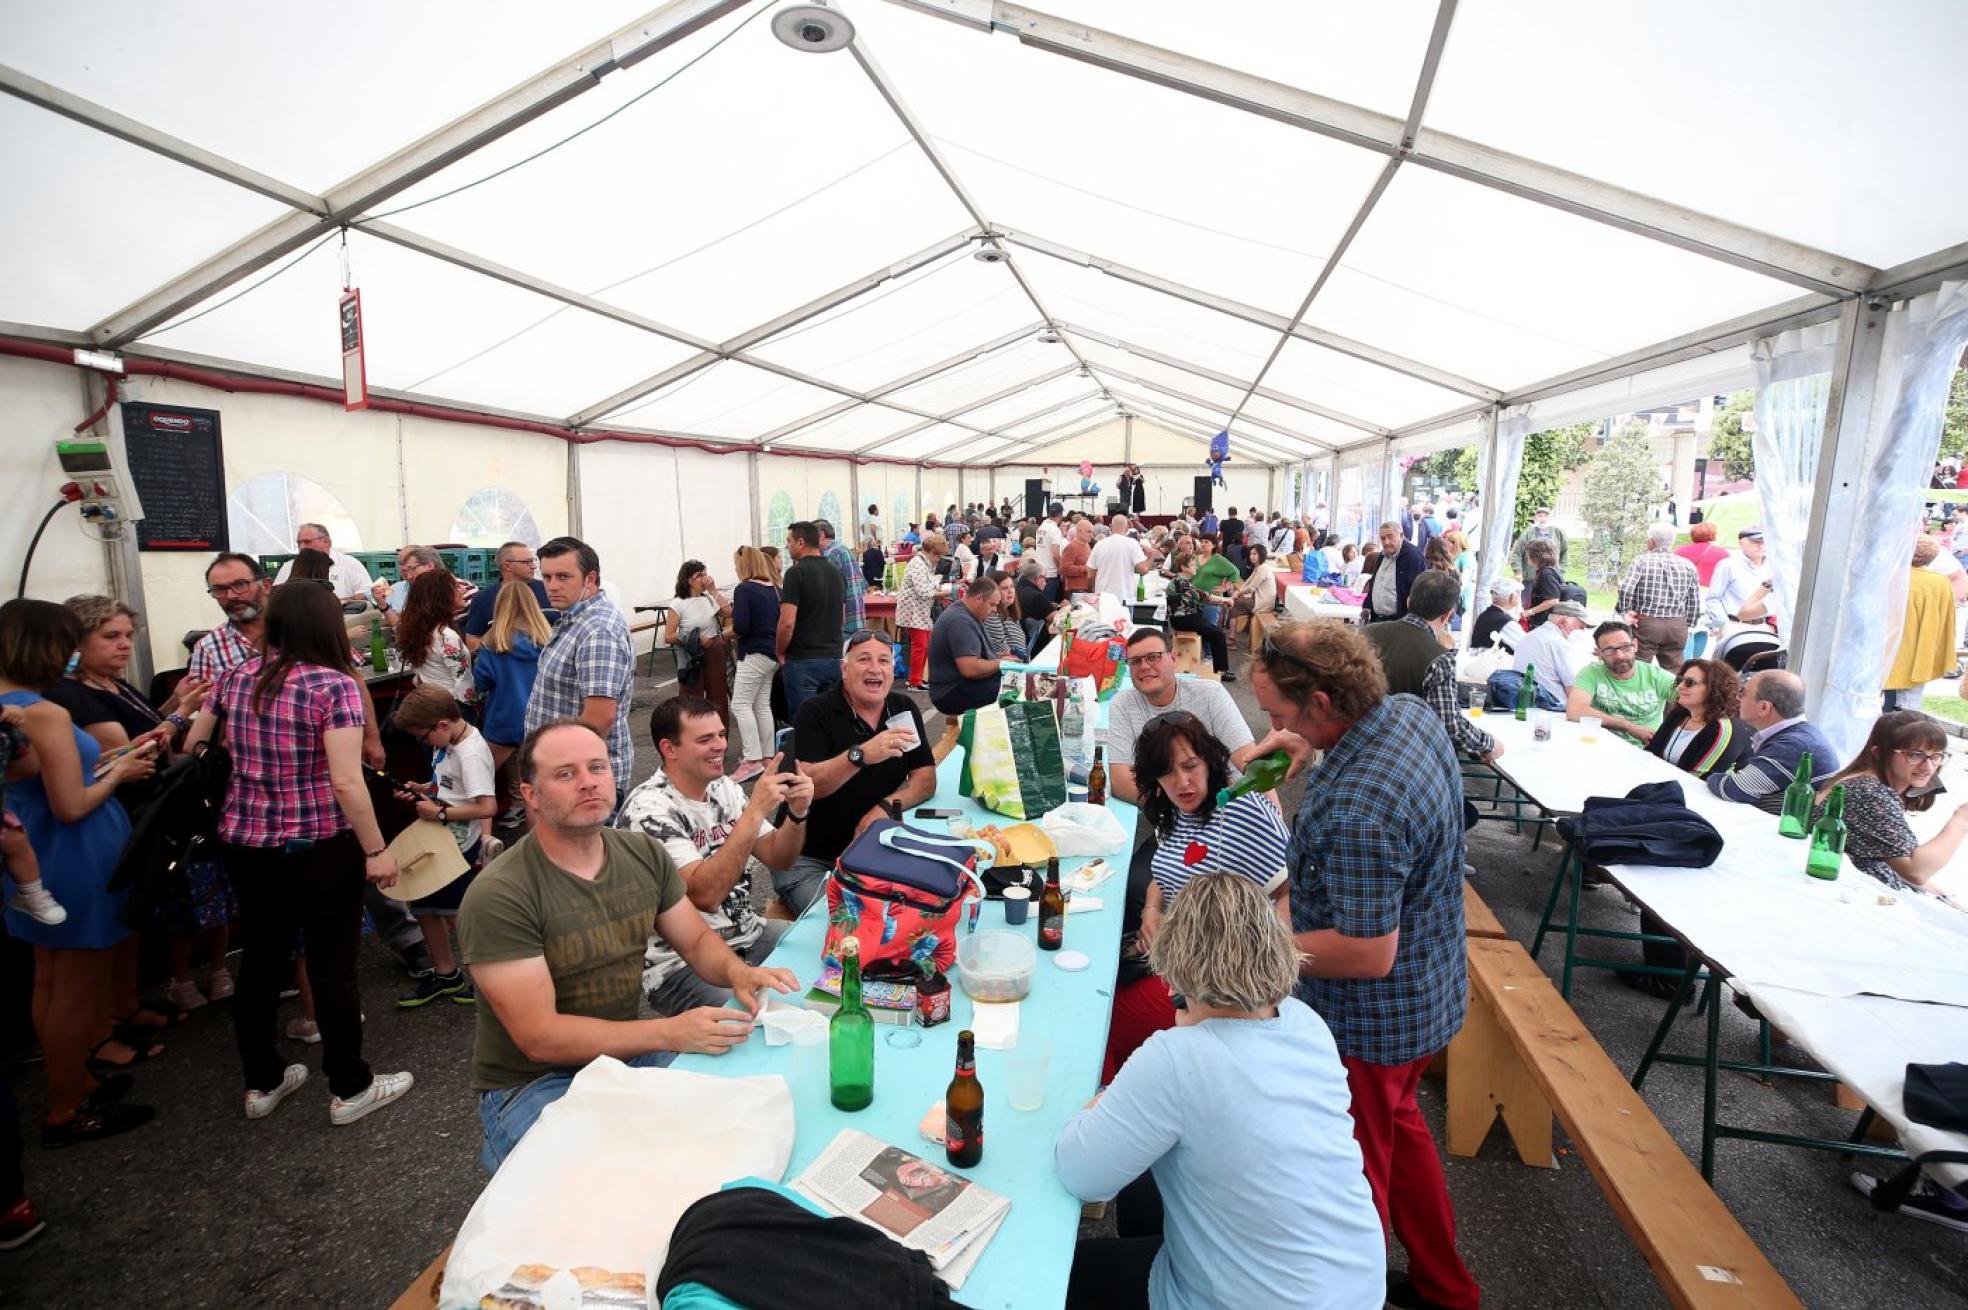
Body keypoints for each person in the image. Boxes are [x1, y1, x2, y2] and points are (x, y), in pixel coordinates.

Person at [1248, 621, 1481, 1310]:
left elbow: (1367, 952)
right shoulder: (1402, 713)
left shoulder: (1361, 809)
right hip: (1432, 987)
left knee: (1355, 1180)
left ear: (1323, 701)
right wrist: (1306, 748)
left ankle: (1356, 1294)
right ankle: (1448, 1288)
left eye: (1281, 715)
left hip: (1373, 1020)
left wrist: (1259, 949)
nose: (1271, 725)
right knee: (1404, 1136)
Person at [459, 720, 799, 1173]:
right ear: (531, 794)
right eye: (565, 773)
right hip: (532, 1083)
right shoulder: (501, 894)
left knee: (742, 1118)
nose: (587, 782)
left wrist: (738, 972)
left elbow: (697, 941)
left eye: (597, 767)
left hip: (621, 1054)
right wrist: (669, 1032)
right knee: (601, 1184)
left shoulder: (641, 855)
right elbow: (539, 1037)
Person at [1059, 871, 1386, 1310]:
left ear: (1174, 969)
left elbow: (1083, 1176)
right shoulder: (1303, 1021)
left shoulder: (1177, 1058)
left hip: (1252, 1299)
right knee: (1145, 1192)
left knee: (1067, 1277)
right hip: (1353, 1286)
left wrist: (1100, 1104)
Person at [182, 583, 416, 1126]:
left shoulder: (237, 676)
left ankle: (261, 1081)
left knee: (263, 962)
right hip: (318, 845)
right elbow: (346, 781)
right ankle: (350, 1086)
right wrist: (376, 849)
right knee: (333, 964)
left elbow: (195, 746)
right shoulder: (332, 685)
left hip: (246, 842)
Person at [1, 599, 160, 1145]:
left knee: (49, 979)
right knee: (73, 988)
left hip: (37, 853)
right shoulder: (43, 712)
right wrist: (117, 777)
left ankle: (72, 1080)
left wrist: (104, 766)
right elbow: (70, 805)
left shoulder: (11, 706)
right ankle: (67, 1108)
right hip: (73, 853)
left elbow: (41, 782)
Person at [48, 596, 228, 1014]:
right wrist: (182, 712)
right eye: (111, 636)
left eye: (128, 635)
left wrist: (169, 705)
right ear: (77, 641)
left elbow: (143, 725)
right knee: (120, 919)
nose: (124, 645)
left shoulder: (113, 683)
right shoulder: (74, 694)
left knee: (144, 913)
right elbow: (134, 749)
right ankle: (111, 1017)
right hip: (121, 812)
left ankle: (125, 1009)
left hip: (148, 809)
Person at [1106, 714, 1291, 1079]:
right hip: (1178, 962)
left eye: (1190, 766)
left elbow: (1289, 896)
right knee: (1103, 984)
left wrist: (1267, 987)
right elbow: (1167, 869)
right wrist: (1152, 910)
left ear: (1211, 761)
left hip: (1228, 987)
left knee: (1105, 1017)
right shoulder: (1176, 813)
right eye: (1167, 773)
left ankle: (1116, 1107)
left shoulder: (1243, 811)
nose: (1182, 783)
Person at [617, 696, 815, 1014]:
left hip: (747, 933)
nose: (721, 745)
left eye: (722, 734)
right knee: (757, 1019)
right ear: (670, 749)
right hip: (678, 965)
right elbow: (704, 895)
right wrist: (754, 811)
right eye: (705, 739)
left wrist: (798, 813)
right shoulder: (649, 810)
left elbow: (780, 857)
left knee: (829, 949)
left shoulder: (724, 787)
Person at [789, 631, 936, 913]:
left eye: (884, 661)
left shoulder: (902, 707)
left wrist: (885, 807)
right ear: (845, 669)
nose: (875, 669)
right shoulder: (815, 712)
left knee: (917, 910)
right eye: (864, 660)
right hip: (812, 859)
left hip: (875, 850)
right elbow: (807, 785)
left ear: (893, 671)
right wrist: (861, 755)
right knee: (848, 928)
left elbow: (925, 778)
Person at [388, 686, 497, 1007]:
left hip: (456, 844)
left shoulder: (470, 753)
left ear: (442, 725)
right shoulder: (451, 742)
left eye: (422, 738)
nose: (422, 744)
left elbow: (486, 806)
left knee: (455, 914)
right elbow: (449, 785)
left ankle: (492, 979)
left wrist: (439, 812)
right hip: (439, 835)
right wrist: (424, 789)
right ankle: (446, 973)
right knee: (423, 903)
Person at [525, 536, 636, 801]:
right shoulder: (577, 617)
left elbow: (599, 717)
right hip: (567, 773)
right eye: (547, 576)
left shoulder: (598, 630)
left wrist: (562, 769)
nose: (552, 586)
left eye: (563, 576)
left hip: (581, 783)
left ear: (591, 578)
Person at [1811, 712, 1968, 894]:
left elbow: (1897, 861)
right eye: (1915, 755)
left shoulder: (1864, 781)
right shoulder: (1870, 793)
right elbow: (1915, 871)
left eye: (1936, 756)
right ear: (1878, 752)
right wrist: (1961, 820)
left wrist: (1944, 896)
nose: (1928, 767)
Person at [1104, 629, 1257, 805]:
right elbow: (1120, 782)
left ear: (1173, 659)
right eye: (1135, 661)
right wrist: (1179, 811)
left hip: (1227, 805)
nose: (1144, 666)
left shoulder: (1210, 695)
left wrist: (1272, 818)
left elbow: (1250, 764)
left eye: (1153, 657)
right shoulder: (1123, 704)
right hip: (1175, 815)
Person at [1365, 572, 1499, 764]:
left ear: (1409, 602)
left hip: (1352, 743)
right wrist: (1489, 744)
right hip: (1402, 758)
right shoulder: (1440, 658)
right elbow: (1450, 725)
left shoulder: (1366, 632)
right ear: (1447, 615)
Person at [1704, 671, 1840, 812]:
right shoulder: (1798, 735)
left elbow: (1734, 790)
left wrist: (1711, 777)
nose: (1737, 698)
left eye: (1742, 692)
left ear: (1764, 707)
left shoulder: (1792, 746)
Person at [473, 577, 549, 828]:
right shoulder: (547, 641)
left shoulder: (493, 644)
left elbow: (482, 682)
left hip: (503, 721)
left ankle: (481, 837)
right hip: (541, 722)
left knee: (479, 778)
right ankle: (540, 844)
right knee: (535, 787)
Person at [1568, 621, 1676, 745]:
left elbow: (1696, 702)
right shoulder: (1591, 673)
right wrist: (1628, 726)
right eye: (1609, 650)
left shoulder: (1658, 676)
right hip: (1601, 745)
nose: (1619, 655)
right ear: (1599, 654)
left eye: (1625, 647)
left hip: (1645, 750)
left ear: (1635, 645)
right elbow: (1574, 710)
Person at [778, 521, 846, 718]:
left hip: (803, 659)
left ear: (801, 542)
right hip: (833, 656)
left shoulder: (795, 573)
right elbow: (841, 616)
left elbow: (787, 622)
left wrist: (780, 650)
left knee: (804, 723)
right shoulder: (835, 573)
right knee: (830, 720)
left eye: (789, 541)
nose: (787, 546)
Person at [1883, 538, 1957, 711]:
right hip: (1918, 651)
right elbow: (1946, 619)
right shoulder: (1939, 582)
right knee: (1909, 702)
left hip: (1885, 647)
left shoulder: (1889, 575)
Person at [728, 545, 782, 783]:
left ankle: (751, 759)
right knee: (761, 705)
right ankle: (767, 756)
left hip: (753, 653)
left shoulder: (744, 589)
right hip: (772, 653)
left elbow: (741, 626)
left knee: (740, 705)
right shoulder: (774, 589)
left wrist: (726, 634)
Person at [1644, 658, 1750, 778]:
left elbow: (1699, 778)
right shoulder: (1680, 713)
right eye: (1679, 681)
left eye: (1690, 683)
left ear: (1713, 688)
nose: (1679, 687)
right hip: (1667, 785)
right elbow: (1651, 752)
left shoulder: (1724, 729)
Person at [1617, 525, 1701, 672]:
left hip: (1647, 624)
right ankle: (1674, 694)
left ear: (1650, 542)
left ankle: (1640, 694)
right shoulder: (1688, 565)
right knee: (1674, 671)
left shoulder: (1641, 562)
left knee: (1639, 669)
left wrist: (1624, 611)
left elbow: (1626, 588)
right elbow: (1694, 599)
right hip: (1677, 626)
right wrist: (1689, 623)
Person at [666, 559, 732, 728]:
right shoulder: (678, 603)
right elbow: (669, 636)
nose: (705, 578)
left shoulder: (709, 599)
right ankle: (693, 739)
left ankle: (719, 739)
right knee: (692, 701)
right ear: (689, 580)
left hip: (713, 653)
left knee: (718, 698)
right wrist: (693, 637)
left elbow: (728, 612)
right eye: (699, 575)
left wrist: (713, 590)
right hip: (691, 657)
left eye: (705, 573)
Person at [927, 576, 1005, 717]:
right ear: (979, 599)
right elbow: (970, 669)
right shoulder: (960, 621)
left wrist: (1002, 662)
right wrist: (1002, 663)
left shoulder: (966, 614)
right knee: (1010, 693)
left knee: (1012, 681)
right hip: (949, 692)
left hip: (957, 686)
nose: (995, 610)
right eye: (992, 605)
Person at [397, 568, 477, 705]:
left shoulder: (416, 629)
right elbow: (463, 683)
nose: (463, 590)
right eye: (456, 587)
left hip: (430, 701)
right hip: (453, 705)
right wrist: (476, 704)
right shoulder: (446, 636)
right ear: (442, 595)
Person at [1494, 599, 1588, 710]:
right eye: (1581, 627)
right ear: (1562, 622)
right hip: (1552, 708)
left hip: (1523, 702)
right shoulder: (1560, 644)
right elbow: (1573, 691)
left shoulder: (1530, 636)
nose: (1583, 632)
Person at [462, 541, 554, 652]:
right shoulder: (483, 599)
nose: (533, 566)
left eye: (533, 561)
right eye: (527, 562)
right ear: (508, 565)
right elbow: (473, 640)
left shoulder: (547, 589)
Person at [1164, 551, 1232, 680]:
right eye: (1193, 564)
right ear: (1184, 568)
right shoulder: (1181, 582)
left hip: (1183, 618)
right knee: (1218, 634)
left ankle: (1216, 666)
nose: (1196, 567)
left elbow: (1200, 596)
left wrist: (1221, 602)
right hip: (1183, 619)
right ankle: (1222, 671)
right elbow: (1202, 596)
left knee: (1213, 631)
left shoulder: (1180, 581)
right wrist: (1224, 600)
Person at [894, 531, 945, 693]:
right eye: (938, 556)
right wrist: (942, 592)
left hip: (920, 611)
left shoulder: (924, 563)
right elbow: (923, 591)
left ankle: (917, 679)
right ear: (930, 552)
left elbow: (927, 584)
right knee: (920, 646)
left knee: (924, 644)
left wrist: (936, 587)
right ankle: (914, 681)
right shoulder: (917, 564)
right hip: (913, 611)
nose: (939, 559)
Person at [273, 523, 372, 603]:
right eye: (299, 543)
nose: (302, 547)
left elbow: (368, 592)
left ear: (326, 542)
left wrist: (342, 601)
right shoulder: (288, 567)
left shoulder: (350, 564)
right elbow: (276, 597)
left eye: (307, 542)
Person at [1704, 527, 1770, 627]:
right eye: (1755, 542)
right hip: (1735, 625)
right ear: (1741, 544)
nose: (1760, 546)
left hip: (1766, 626)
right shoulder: (1728, 565)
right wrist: (1724, 625)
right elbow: (1713, 599)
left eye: (1764, 542)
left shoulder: (1772, 566)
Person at [1363, 521, 1424, 623]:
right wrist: (1367, 605)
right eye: (1382, 538)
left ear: (1401, 536)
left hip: (1400, 622)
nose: (1386, 542)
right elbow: (1375, 583)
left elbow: (1419, 591)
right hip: (1378, 619)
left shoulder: (1413, 557)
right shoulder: (1382, 555)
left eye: (1390, 537)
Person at [1090, 514, 1155, 605]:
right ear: (1127, 527)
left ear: (1111, 526)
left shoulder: (1099, 544)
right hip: (1124, 598)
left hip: (1103, 598)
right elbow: (1143, 569)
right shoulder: (1132, 544)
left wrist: (1094, 589)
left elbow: (1090, 573)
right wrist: (1151, 555)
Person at [815, 519, 866, 636]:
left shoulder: (830, 555)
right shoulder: (843, 548)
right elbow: (863, 583)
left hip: (843, 624)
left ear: (821, 535)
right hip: (856, 619)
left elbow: (832, 594)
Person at [1510, 507, 1568, 581]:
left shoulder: (1558, 533)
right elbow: (1517, 554)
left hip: (1552, 578)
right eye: (1540, 516)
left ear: (1550, 518)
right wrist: (1518, 572)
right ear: (1535, 518)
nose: (1543, 519)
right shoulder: (1527, 533)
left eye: (1546, 516)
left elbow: (1564, 553)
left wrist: (1561, 571)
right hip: (1530, 578)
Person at [1015, 558, 1057, 658]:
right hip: (1036, 648)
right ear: (1038, 579)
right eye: (1045, 580)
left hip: (1019, 641)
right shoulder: (1036, 596)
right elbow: (1055, 619)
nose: (1046, 583)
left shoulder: (1017, 589)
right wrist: (1066, 608)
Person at [982, 570, 1028, 661]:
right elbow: (1002, 651)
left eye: (1012, 587)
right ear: (993, 593)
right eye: (1004, 588)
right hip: (1005, 669)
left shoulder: (1011, 613)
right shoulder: (993, 616)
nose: (1010, 591)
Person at [1520, 538, 1566, 629]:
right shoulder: (1548, 570)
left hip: (1544, 622)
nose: (1527, 556)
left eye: (1529, 554)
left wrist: (1530, 612)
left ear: (1536, 555)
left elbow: (1553, 600)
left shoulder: (1546, 573)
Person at [1675, 521, 1730, 588]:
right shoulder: (1722, 553)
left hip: (1685, 589)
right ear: (1713, 535)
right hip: (1709, 590)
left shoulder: (1679, 551)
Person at [1469, 579, 1520, 651]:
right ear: (1512, 597)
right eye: (1518, 592)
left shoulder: (1485, 615)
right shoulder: (1506, 622)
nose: (1519, 596)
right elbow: (1525, 647)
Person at [1035, 501, 1067, 602]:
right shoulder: (1055, 530)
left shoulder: (1041, 527)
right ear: (1061, 514)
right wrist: (1060, 569)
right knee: (1049, 606)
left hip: (1039, 571)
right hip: (1050, 574)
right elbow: (1055, 555)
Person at [1190, 534, 1240, 599]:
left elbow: (1235, 572)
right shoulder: (1195, 558)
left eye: (1206, 542)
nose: (1203, 544)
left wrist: (1225, 587)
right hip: (1194, 598)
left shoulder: (1218, 559)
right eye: (1201, 542)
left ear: (1213, 545)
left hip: (1211, 600)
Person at [1060, 517, 1095, 597]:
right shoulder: (1072, 547)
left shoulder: (1086, 545)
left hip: (1085, 588)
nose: (1091, 535)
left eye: (1092, 532)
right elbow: (1064, 569)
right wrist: (1084, 568)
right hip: (1076, 589)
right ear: (1079, 532)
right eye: (1088, 532)